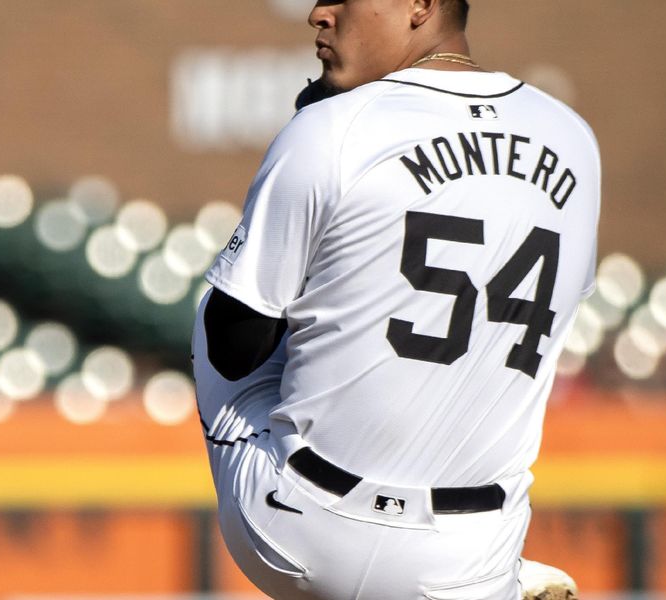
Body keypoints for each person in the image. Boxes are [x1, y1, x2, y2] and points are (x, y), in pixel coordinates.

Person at [192, 1, 599, 598]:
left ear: (420, 4)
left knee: (221, 302)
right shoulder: (574, 138)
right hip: (470, 551)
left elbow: (235, 348)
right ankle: (501, 584)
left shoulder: (334, 126)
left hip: (298, 532)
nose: (317, 13)